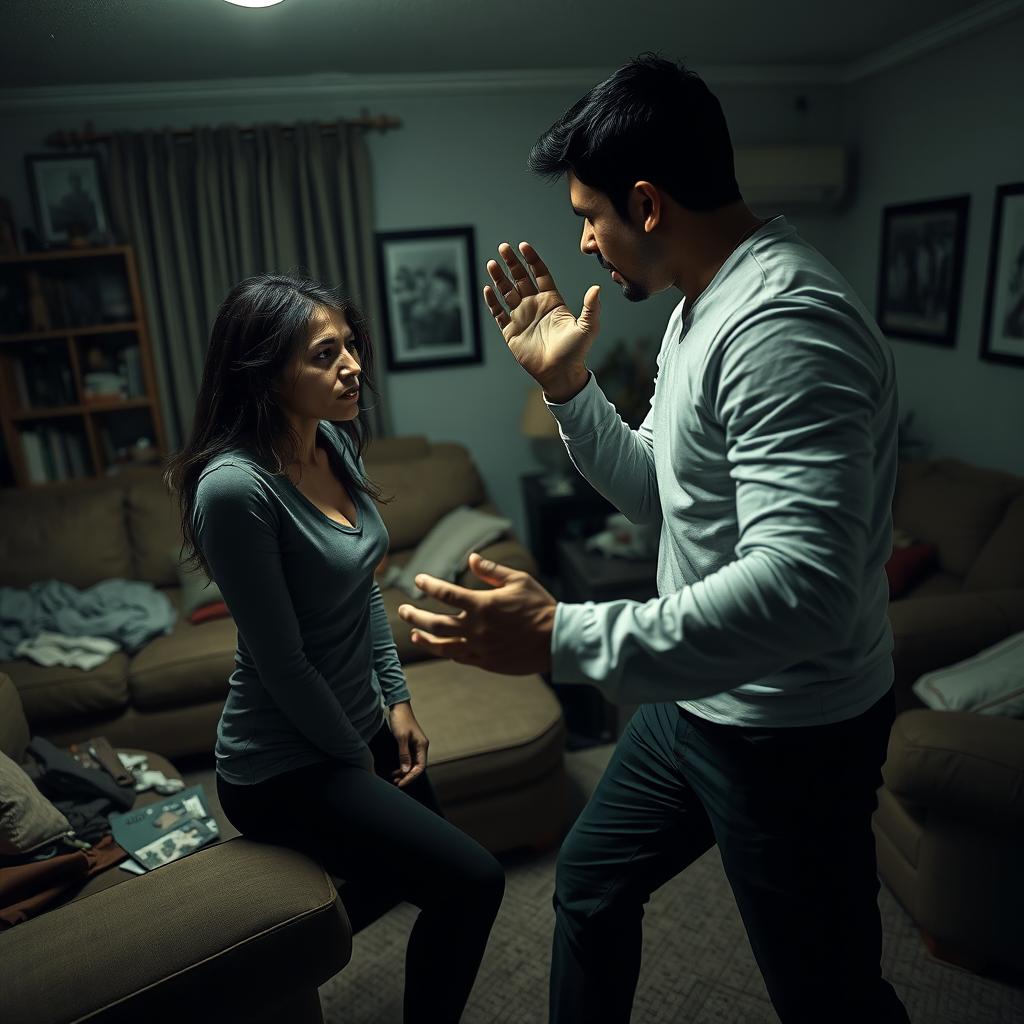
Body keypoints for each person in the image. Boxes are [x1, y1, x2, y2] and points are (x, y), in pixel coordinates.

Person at [397, 56, 910, 1024]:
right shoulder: (695, 306)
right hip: (694, 701)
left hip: (787, 733)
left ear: (645, 202)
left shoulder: (782, 323)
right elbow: (658, 494)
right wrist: (566, 390)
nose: (584, 241)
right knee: (588, 883)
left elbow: (804, 591)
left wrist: (564, 634)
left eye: (589, 214)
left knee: (829, 994)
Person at [165, 273, 504, 1024]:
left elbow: (363, 587)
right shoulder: (235, 489)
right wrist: (364, 766)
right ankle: (262, 974)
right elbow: (281, 663)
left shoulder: (334, 441)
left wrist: (398, 701)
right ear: (265, 369)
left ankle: (267, 972)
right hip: (282, 764)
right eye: (324, 354)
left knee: (423, 874)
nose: (352, 365)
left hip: (358, 730)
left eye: (350, 346)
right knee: (474, 881)